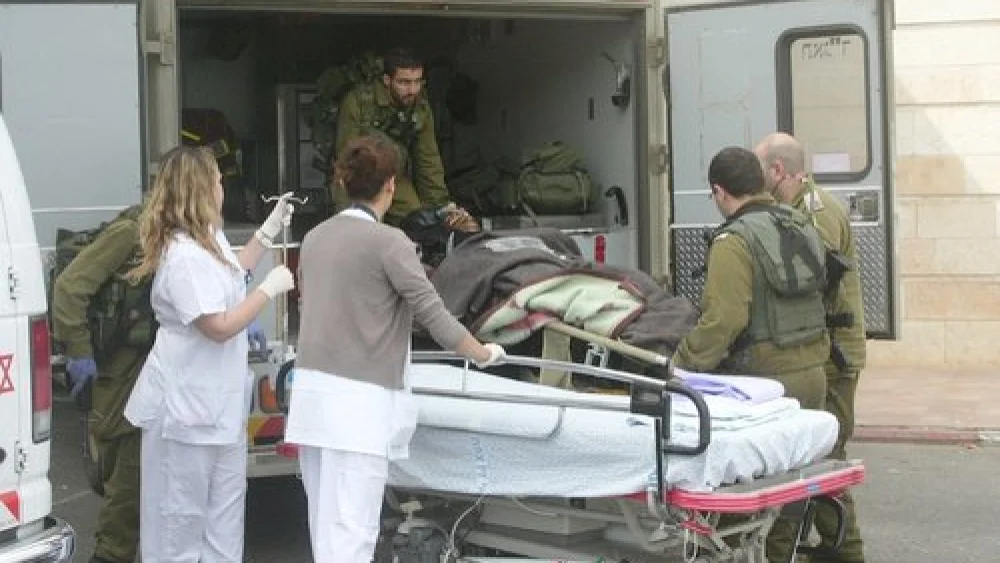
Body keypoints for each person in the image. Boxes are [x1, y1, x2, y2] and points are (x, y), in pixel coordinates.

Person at [284, 133, 506, 563]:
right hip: (358, 405)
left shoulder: (314, 239)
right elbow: (433, 315)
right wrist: (483, 353)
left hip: (312, 401)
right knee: (354, 532)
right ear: (390, 185)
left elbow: (310, 303)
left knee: (326, 528)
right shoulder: (390, 244)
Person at [121, 145, 297, 562]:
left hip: (218, 410)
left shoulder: (209, 239)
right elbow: (217, 327)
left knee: (225, 522)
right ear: (200, 188)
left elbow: (231, 270)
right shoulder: (181, 255)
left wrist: (267, 232)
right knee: (178, 525)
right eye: (217, 180)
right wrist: (266, 292)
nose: (223, 186)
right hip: (184, 415)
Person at [670, 146, 830, 562]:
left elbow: (723, 319)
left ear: (719, 191)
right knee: (790, 501)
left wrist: (682, 366)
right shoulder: (800, 221)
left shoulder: (733, 240)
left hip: (764, 385)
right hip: (814, 371)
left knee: (738, 516)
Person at [755, 132, 867, 563]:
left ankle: (847, 552)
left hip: (832, 356)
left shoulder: (815, 214)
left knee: (825, 457)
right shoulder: (798, 208)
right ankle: (825, 548)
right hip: (823, 352)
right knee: (814, 455)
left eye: (760, 169)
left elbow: (804, 285)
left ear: (777, 171)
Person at [52, 204, 150, 563]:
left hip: (150, 384)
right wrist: (79, 351)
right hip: (122, 384)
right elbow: (70, 288)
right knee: (123, 501)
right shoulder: (131, 233)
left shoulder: (178, 233)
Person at [332, 46, 470, 227]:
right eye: (404, 82)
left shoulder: (420, 108)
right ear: (387, 80)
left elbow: (428, 160)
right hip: (358, 178)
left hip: (393, 177)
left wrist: (440, 207)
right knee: (357, 227)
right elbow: (345, 157)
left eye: (417, 81)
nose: (412, 90)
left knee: (417, 221)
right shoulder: (357, 102)